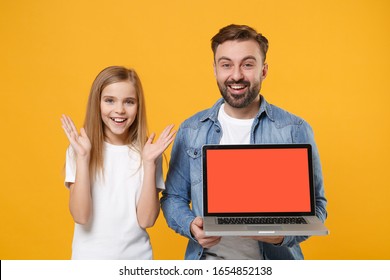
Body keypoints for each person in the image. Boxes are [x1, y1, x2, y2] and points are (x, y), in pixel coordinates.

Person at [160, 24, 327, 260]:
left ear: (264, 71)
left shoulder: (295, 130)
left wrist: (280, 236)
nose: (236, 75)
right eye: (226, 64)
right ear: (215, 69)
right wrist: (190, 225)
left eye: (248, 64)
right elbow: (173, 198)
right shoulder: (191, 130)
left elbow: (317, 208)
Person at [61, 66, 175, 259]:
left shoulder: (149, 153)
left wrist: (149, 163)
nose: (119, 110)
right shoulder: (80, 150)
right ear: (97, 103)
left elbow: (146, 220)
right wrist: (82, 158)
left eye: (129, 102)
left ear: (138, 106)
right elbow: (81, 216)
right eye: (109, 101)